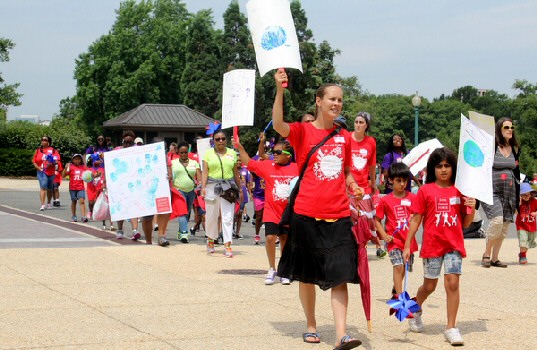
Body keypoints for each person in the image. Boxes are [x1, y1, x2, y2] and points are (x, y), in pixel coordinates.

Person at [272, 69, 362, 349]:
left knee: (341, 274)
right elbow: (278, 124)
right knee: (307, 274)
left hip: (338, 214)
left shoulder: (345, 136)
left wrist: (353, 185)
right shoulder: (303, 132)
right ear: (318, 101)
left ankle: (341, 335)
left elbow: (346, 171)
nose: (337, 104)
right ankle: (311, 325)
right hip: (306, 214)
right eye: (332, 99)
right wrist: (279, 90)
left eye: (341, 100)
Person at [403, 147, 475, 346]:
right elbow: (416, 220)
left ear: (453, 168)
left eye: (447, 166)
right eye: (439, 166)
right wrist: (407, 244)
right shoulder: (425, 191)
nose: (443, 169)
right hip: (432, 245)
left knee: (452, 284)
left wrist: (472, 205)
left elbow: (467, 223)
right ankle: (414, 308)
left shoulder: (462, 192)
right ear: (433, 169)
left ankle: (451, 328)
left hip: (453, 245)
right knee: (429, 286)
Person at [234, 137, 298, 285]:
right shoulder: (269, 166)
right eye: (273, 151)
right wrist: (240, 146)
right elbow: (248, 161)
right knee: (270, 238)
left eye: (278, 152)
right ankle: (271, 268)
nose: (274, 154)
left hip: (289, 212)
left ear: (288, 155)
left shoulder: (297, 167)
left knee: (284, 240)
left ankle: (284, 270)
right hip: (272, 210)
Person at [481, 117, 521, 268]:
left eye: (512, 127)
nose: (510, 129)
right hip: (492, 191)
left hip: (509, 192)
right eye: (506, 127)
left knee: (504, 227)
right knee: (497, 221)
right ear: (499, 129)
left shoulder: (515, 150)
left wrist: (518, 197)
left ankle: (495, 258)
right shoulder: (492, 147)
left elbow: (517, 174)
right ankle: (486, 253)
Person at [375, 162, 418, 296]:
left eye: (405, 181)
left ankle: (396, 287)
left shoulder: (413, 198)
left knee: (404, 269)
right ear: (391, 180)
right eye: (398, 180)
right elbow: (376, 220)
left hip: (408, 242)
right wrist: (383, 235)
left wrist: (414, 216)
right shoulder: (385, 200)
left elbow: (419, 216)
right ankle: (400, 297)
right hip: (394, 241)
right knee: (398, 266)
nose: (402, 184)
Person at [349, 111, 385, 258]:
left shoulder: (371, 142)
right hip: (348, 185)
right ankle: (353, 247)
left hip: (364, 185)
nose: (358, 125)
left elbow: (371, 164)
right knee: (350, 217)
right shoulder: (347, 139)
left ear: (366, 125)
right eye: (356, 122)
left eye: (361, 122)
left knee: (368, 218)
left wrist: (373, 182)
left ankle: (377, 244)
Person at [201, 129, 242, 257]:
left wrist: (240, 188)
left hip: (228, 186)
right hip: (212, 186)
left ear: (226, 140)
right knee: (211, 215)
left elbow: (236, 173)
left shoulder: (232, 153)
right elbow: (205, 172)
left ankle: (227, 244)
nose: (220, 141)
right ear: (213, 141)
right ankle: (211, 240)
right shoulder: (208, 154)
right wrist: (203, 187)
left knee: (228, 216)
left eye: (223, 139)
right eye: (217, 139)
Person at [170, 141, 201, 243]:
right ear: (178, 152)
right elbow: (169, 175)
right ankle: (184, 233)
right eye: (181, 152)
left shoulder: (194, 162)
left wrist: (200, 186)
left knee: (186, 212)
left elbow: (199, 176)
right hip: (178, 191)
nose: (183, 154)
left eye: (185, 152)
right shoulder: (173, 163)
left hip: (191, 191)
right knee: (182, 212)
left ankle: (180, 231)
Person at [32, 136, 61, 211]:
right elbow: (34, 161)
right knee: (43, 187)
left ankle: (48, 202)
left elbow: (57, 160)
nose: (43, 141)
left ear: (49, 142)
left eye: (45, 140)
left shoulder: (53, 150)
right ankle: (42, 205)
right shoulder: (38, 150)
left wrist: (52, 163)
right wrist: (38, 167)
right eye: (42, 140)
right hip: (42, 171)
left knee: (50, 188)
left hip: (51, 172)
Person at [62, 154, 88, 222]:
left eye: (79, 159)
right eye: (75, 159)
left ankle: (83, 216)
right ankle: (74, 216)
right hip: (73, 188)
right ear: (73, 160)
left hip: (81, 187)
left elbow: (88, 174)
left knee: (82, 201)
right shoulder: (70, 167)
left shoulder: (83, 167)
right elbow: (63, 175)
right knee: (74, 202)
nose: (77, 160)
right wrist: (65, 168)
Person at [515, 182, 537, 264]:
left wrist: (535, 213)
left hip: (532, 227)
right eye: (523, 195)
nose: (526, 197)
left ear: (531, 194)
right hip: (521, 226)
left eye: (528, 194)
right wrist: (518, 203)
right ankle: (523, 256)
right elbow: (515, 212)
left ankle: (522, 253)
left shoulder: (534, 201)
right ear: (520, 195)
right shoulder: (519, 203)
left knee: (528, 243)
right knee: (523, 242)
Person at [233, 158, 251, 240]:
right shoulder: (231, 170)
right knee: (233, 214)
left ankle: (237, 232)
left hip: (243, 194)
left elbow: (248, 183)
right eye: (237, 160)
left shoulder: (245, 171)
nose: (239, 162)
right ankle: (231, 230)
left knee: (240, 214)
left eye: (240, 160)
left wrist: (250, 193)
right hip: (233, 194)